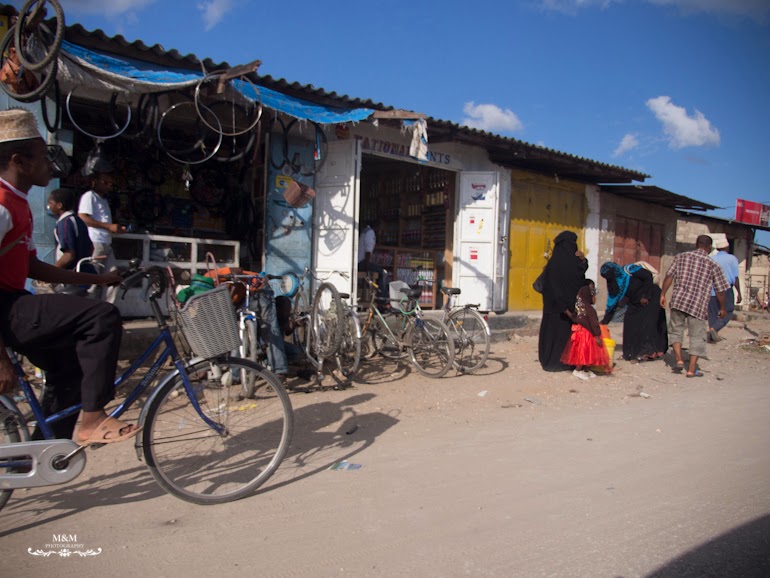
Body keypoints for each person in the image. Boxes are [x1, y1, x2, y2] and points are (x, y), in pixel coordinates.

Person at [0, 109, 139, 444]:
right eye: (43, 157)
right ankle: (93, 419)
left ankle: (39, 455)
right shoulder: (2, 204)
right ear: (19, 161)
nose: (51, 165)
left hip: (16, 303)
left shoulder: (19, 204)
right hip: (6, 309)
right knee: (102, 316)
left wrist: (100, 280)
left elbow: (32, 266)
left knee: (72, 369)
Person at [660, 235, 730, 378]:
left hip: (679, 301)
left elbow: (669, 276)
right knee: (697, 337)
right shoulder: (713, 264)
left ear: (696, 244)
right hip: (698, 306)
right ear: (709, 247)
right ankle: (691, 370)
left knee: (676, 331)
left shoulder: (681, 257)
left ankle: (679, 359)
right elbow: (720, 290)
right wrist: (722, 308)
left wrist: (662, 294)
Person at [538, 230, 588, 371]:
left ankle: (550, 361)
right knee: (564, 335)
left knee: (552, 334)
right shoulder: (573, 263)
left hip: (554, 307)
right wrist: (567, 307)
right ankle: (564, 361)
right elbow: (580, 275)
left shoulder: (553, 264)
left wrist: (583, 260)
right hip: (567, 309)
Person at [78, 166, 126, 298]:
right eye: (105, 183)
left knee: (113, 277)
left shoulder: (103, 200)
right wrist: (108, 227)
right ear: (95, 181)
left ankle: (106, 308)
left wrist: (114, 229)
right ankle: (88, 308)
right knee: (93, 278)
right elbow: (83, 217)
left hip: (106, 243)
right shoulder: (89, 196)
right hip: (96, 242)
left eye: (110, 183)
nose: (108, 186)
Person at [47, 187, 95, 296]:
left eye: (50, 203)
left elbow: (69, 255)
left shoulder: (65, 223)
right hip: (85, 273)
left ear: (59, 205)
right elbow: (91, 247)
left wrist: (51, 273)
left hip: (72, 277)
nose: (49, 206)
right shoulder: (79, 221)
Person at [561, 282, 609, 379]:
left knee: (585, 353)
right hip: (587, 335)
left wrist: (568, 313)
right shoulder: (589, 309)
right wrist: (597, 335)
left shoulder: (580, 308)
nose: (595, 298)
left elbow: (575, 318)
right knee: (584, 352)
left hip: (581, 333)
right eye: (593, 296)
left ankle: (585, 369)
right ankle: (578, 370)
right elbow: (593, 323)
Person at [621, 265, 668, 362]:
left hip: (652, 297)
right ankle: (630, 352)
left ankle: (648, 352)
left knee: (649, 325)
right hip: (637, 301)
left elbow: (648, 276)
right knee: (630, 322)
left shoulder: (629, 271)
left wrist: (645, 296)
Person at [707, 236, 742, 342]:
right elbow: (735, 278)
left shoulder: (711, 259)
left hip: (712, 289)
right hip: (726, 289)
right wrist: (739, 292)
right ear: (727, 247)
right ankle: (714, 328)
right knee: (728, 311)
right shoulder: (732, 259)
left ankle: (712, 334)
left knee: (712, 312)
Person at [358, 221, 388, 300]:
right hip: (362, 262)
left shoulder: (365, 231)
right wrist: (367, 267)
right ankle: (382, 301)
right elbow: (368, 251)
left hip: (358, 262)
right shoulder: (371, 233)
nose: (381, 232)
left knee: (378, 271)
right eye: (381, 230)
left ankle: (377, 296)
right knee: (383, 273)